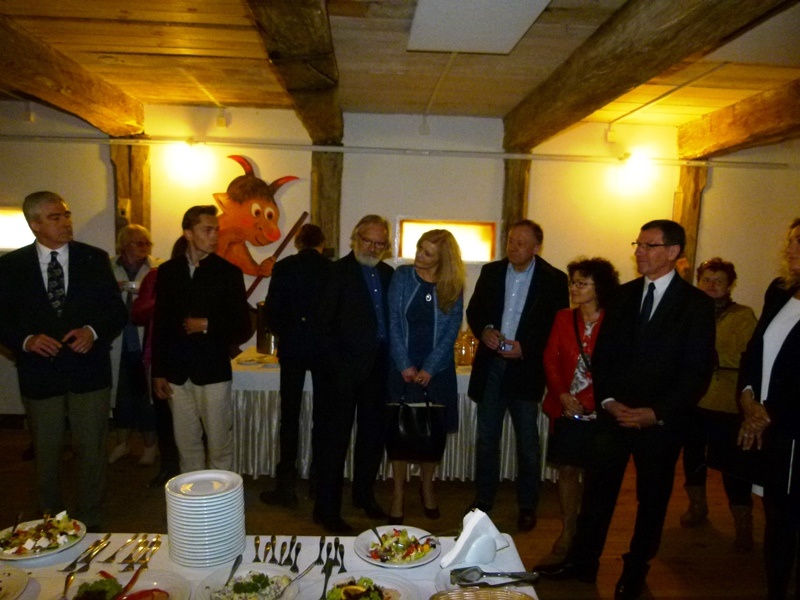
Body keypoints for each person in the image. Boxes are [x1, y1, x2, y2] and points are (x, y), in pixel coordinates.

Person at [534, 219, 716, 600]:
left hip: (659, 423)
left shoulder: (696, 304)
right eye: (638, 244)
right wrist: (608, 400)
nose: (639, 252)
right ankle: (582, 562)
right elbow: (604, 355)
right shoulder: (623, 295)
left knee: (652, 500)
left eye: (649, 246)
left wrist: (657, 412)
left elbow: (697, 370)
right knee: (597, 494)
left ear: (673, 252)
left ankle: (635, 570)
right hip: (613, 416)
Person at [0, 191, 127, 529]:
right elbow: (3, 318)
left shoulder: (93, 258)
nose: (65, 222)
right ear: (35, 224)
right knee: (46, 452)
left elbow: (116, 311)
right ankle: (51, 521)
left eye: (66, 215)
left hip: (88, 371)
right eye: (55, 217)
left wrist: (92, 331)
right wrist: (26, 340)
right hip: (40, 373)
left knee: (92, 449)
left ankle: (90, 520)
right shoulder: (11, 266)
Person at [466, 219, 569, 532]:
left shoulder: (554, 279)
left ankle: (527, 505)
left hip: (526, 369)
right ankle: (484, 500)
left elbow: (556, 327)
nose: (513, 247)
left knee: (527, 443)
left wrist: (526, 348)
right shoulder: (492, 272)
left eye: (521, 243)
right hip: (492, 367)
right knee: (487, 439)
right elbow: (474, 311)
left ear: (536, 247)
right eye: (511, 241)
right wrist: (485, 330)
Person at [151, 205, 251, 473]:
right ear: (188, 233)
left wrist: (208, 325)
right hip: (176, 371)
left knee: (219, 445)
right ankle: (193, 498)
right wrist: (158, 371)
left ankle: (221, 497)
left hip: (213, 371)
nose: (215, 236)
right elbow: (160, 324)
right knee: (187, 446)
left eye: (216, 230)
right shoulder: (169, 271)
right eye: (207, 230)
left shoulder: (228, 272)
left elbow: (243, 327)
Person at [313, 214, 394, 534]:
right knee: (333, 443)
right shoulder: (335, 272)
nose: (372, 248)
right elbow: (321, 326)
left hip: (378, 369)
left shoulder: (388, 274)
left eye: (379, 243)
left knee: (372, 439)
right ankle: (327, 510)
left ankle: (364, 496)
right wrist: (336, 367)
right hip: (342, 373)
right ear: (355, 239)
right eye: (367, 241)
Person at [738, 218, 800, 600]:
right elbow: (754, 351)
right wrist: (748, 399)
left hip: (792, 430)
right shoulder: (779, 291)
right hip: (768, 428)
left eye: (799, 241)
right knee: (776, 517)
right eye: (790, 240)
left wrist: (769, 413)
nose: (789, 248)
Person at [678, 257, 758, 552]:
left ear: (729, 285)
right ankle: (697, 507)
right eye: (706, 280)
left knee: (734, 467)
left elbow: (752, 358)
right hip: (693, 401)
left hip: (727, 403)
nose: (711, 286)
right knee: (693, 457)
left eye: (718, 281)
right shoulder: (688, 311)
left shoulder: (743, 316)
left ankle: (744, 524)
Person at [386, 229, 465, 524]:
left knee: (432, 432)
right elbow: (393, 322)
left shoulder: (452, 285)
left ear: (442, 259)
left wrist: (430, 367)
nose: (419, 255)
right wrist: (404, 364)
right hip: (402, 368)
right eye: (420, 248)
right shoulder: (402, 276)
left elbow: (451, 330)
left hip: (438, 371)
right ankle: (397, 492)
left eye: (428, 253)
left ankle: (427, 487)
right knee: (399, 432)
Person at [542, 257, 620, 558]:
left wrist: (588, 399)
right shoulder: (563, 318)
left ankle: (588, 531)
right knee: (566, 469)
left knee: (594, 473)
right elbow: (550, 358)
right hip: (565, 407)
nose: (574, 288)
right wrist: (562, 395)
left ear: (599, 287)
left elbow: (616, 367)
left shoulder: (614, 320)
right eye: (572, 282)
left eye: (582, 283)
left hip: (600, 409)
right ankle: (568, 527)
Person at [259, 223, 332, 508]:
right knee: (322, 418)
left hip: (292, 347)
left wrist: (285, 334)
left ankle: (286, 485)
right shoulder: (331, 269)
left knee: (290, 417)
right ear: (321, 243)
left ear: (298, 243)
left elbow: (272, 310)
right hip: (323, 349)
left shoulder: (285, 267)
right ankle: (318, 481)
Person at [130, 238, 184, 488]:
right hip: (162, 353)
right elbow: (138, 313)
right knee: (164, 416)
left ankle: (195, 471)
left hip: (195, 356)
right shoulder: (157, 276)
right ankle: (169, 467)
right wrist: (164, 301)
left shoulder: (209, 276)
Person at [108, 224, 162, 465]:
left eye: (147, 243)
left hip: (146, 341)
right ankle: (122, 444)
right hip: (117, 342)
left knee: (146, 397)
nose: (144, 247)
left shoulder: (158, 268)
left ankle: (150, 446)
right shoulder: (108, 267)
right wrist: (114, 290)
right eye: (138, 242)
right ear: (123, 245)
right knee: (120, 396)